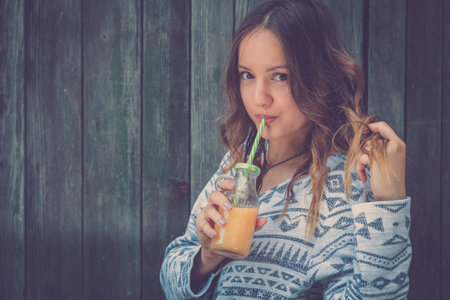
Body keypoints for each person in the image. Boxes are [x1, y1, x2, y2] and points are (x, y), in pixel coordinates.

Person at [160, 0, 411, 299]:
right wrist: (207, 257)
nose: (258, 98)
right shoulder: (238, 162)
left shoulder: (344, 185)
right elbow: (171, 278)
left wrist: (388, 206)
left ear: (318, 76)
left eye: (280, 76)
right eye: (247, 75)